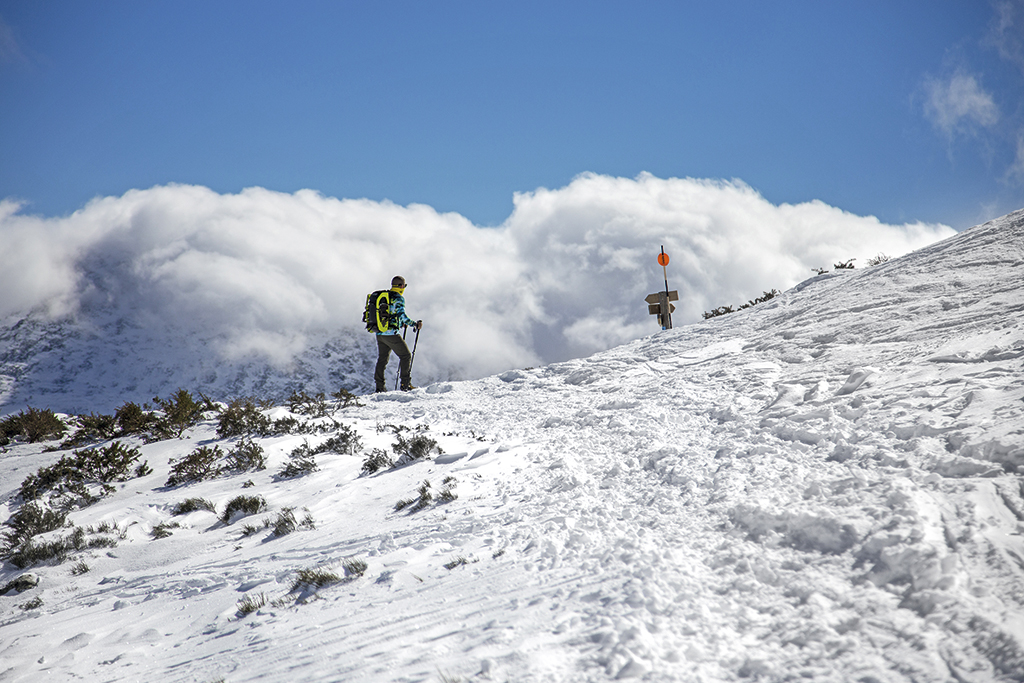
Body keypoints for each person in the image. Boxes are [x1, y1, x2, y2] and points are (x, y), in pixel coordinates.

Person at [374, 275, 423, 392]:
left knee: (382, 359)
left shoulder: (385, 296)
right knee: (406, 356)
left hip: (380, 333)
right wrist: (414, 324)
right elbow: (401, 315)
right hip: (391, 334)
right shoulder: (398, 298)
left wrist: (400, 323)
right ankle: (405, 384)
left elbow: (390, 314)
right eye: (404, 285)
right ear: (401, 286)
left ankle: (379, 387)